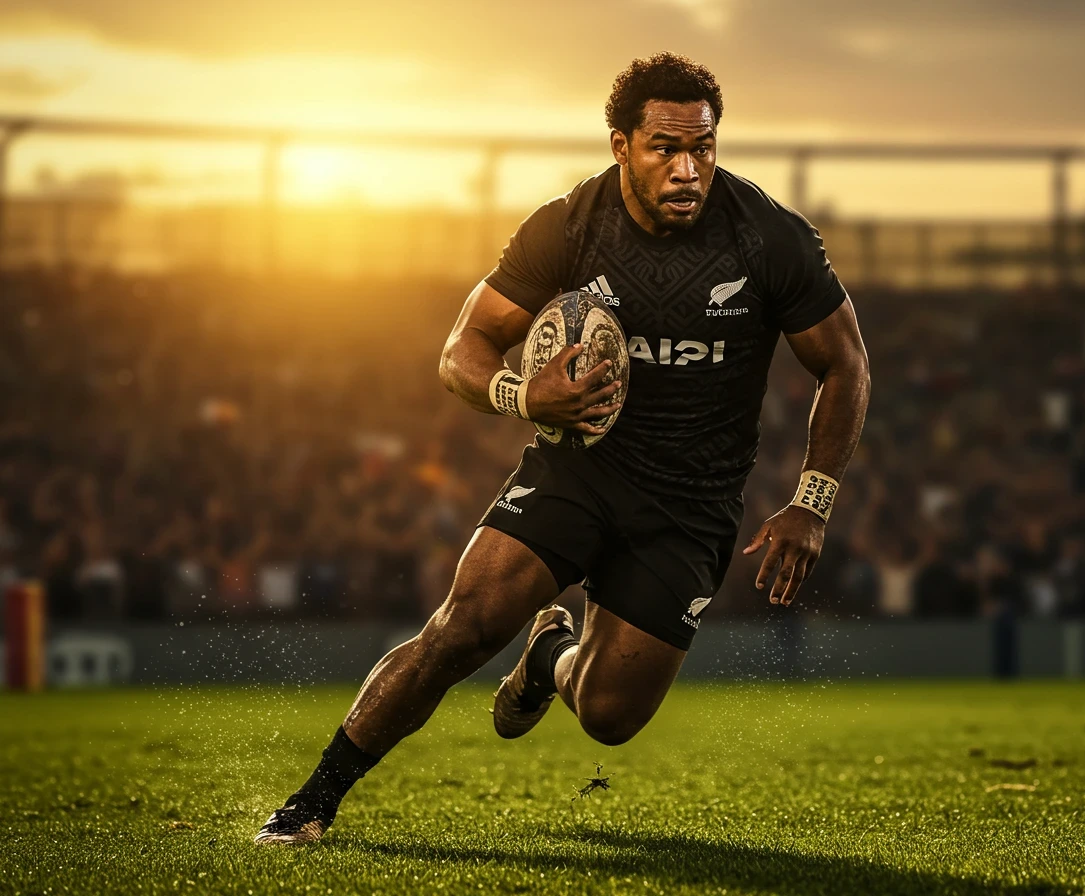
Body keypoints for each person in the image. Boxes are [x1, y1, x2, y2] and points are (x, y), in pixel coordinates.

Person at [255, 52, 871, 845]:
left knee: (610, 718)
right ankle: (311, 803)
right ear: (620, 145)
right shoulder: (570, 225)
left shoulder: (769, 238)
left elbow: (845, 362)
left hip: (690, 506)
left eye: (704, 148)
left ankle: (550, 657)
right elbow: (464, 346)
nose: (688, 169)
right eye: (665, 149)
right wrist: (521, 395)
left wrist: (811, 502)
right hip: (577, 471)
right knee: (460, 629)